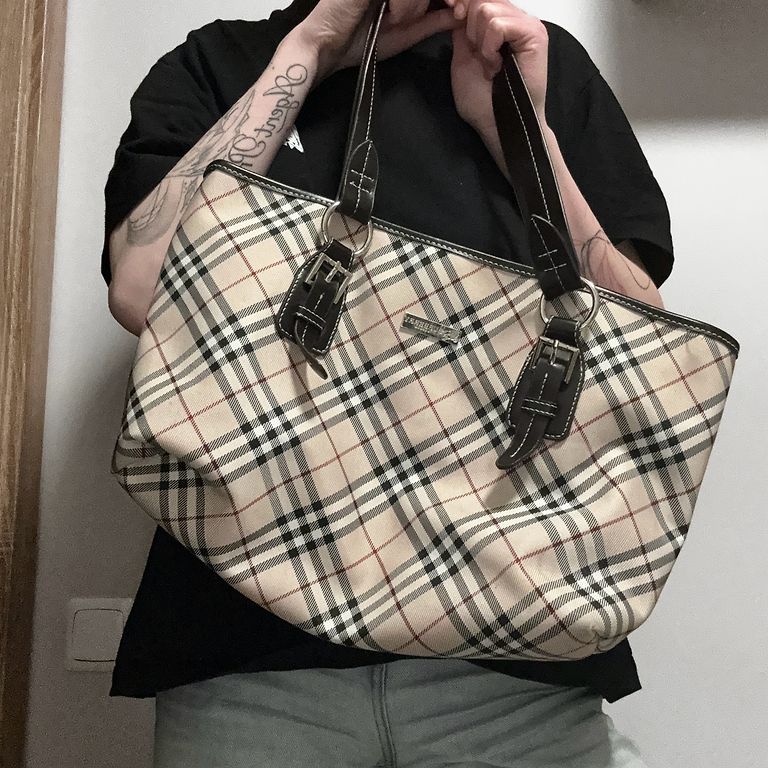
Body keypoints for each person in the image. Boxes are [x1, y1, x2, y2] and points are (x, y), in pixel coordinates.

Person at [101, 1, 674, 766]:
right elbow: (143, 288)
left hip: (516, 666)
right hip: (246, 656)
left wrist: (518, 131)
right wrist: (310, 50)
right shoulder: (222, 62)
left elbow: (642, 343)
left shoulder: (531, 62)